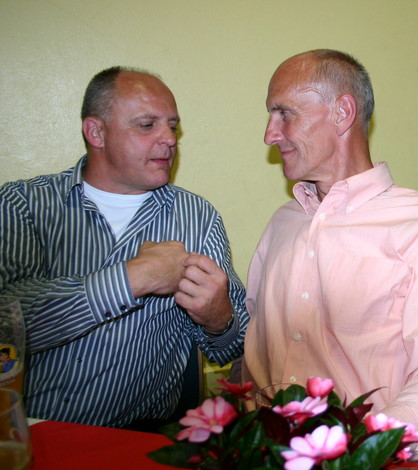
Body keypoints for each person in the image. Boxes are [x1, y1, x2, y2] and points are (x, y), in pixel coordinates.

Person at [241, 49, 418, 457]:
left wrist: (368, 447)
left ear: (342, 113)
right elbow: (253, 345)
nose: (270, 134)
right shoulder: (282, 223)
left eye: (285, 114)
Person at [0, 67, 248, 428]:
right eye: (147, 125)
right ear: (96, 132)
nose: (169, 139)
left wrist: (220, 319)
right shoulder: (23, 204)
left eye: (173, 126)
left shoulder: (197, 217)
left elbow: (230, 348)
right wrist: (132, 279)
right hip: (31, 430)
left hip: (137, 436)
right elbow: (7, 325)